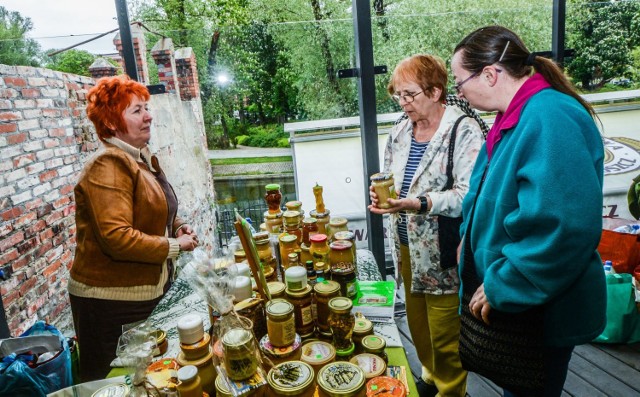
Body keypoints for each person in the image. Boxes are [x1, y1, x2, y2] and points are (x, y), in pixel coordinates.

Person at [451, 26, 606, 397]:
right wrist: (466, 242)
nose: (459, 93)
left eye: (459, 82)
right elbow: (488, 196)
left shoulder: (550, 116)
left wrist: (509, 279)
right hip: (516, 298)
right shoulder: (515, 116)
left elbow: (564, 226)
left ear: (489, 74)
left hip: (539, 306)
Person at [68, 75, 200, 381]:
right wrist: (175, 246)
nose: (148, 115)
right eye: (137, 110)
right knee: (116, 381)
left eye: (146, 108)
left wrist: (179, 226)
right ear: (112, 124)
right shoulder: (108, 164)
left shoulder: (138, 159)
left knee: (151, 374)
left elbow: (158, 208)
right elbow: (117, 237)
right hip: (110, 305)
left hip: (142, 293)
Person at [369, 54, 485, 396]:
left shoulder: (462, 130)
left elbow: (469, 196)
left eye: (409, 95)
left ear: (435, 92)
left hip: (443, 252)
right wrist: (382, 197)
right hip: (407, 248)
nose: (403, 103)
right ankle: (431, 377)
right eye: (398, 96)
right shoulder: (401, 130)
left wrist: (419, 202)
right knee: (418, 325)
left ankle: (452, 390)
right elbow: (389, 177)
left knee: (445, 333)